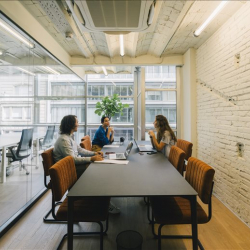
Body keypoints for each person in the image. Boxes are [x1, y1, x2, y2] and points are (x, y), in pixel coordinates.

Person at [91, 116, 120, 214]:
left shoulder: (106, 129)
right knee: (108, 156)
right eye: (106, 121)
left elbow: (110, 141)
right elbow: (105, 143)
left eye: (108, 120)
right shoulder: (100, 130)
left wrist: (112, 133)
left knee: (111, 153)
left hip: (102, 147)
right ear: (102, 122)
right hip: (97, 148)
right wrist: (108, 133)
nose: (108, 122)